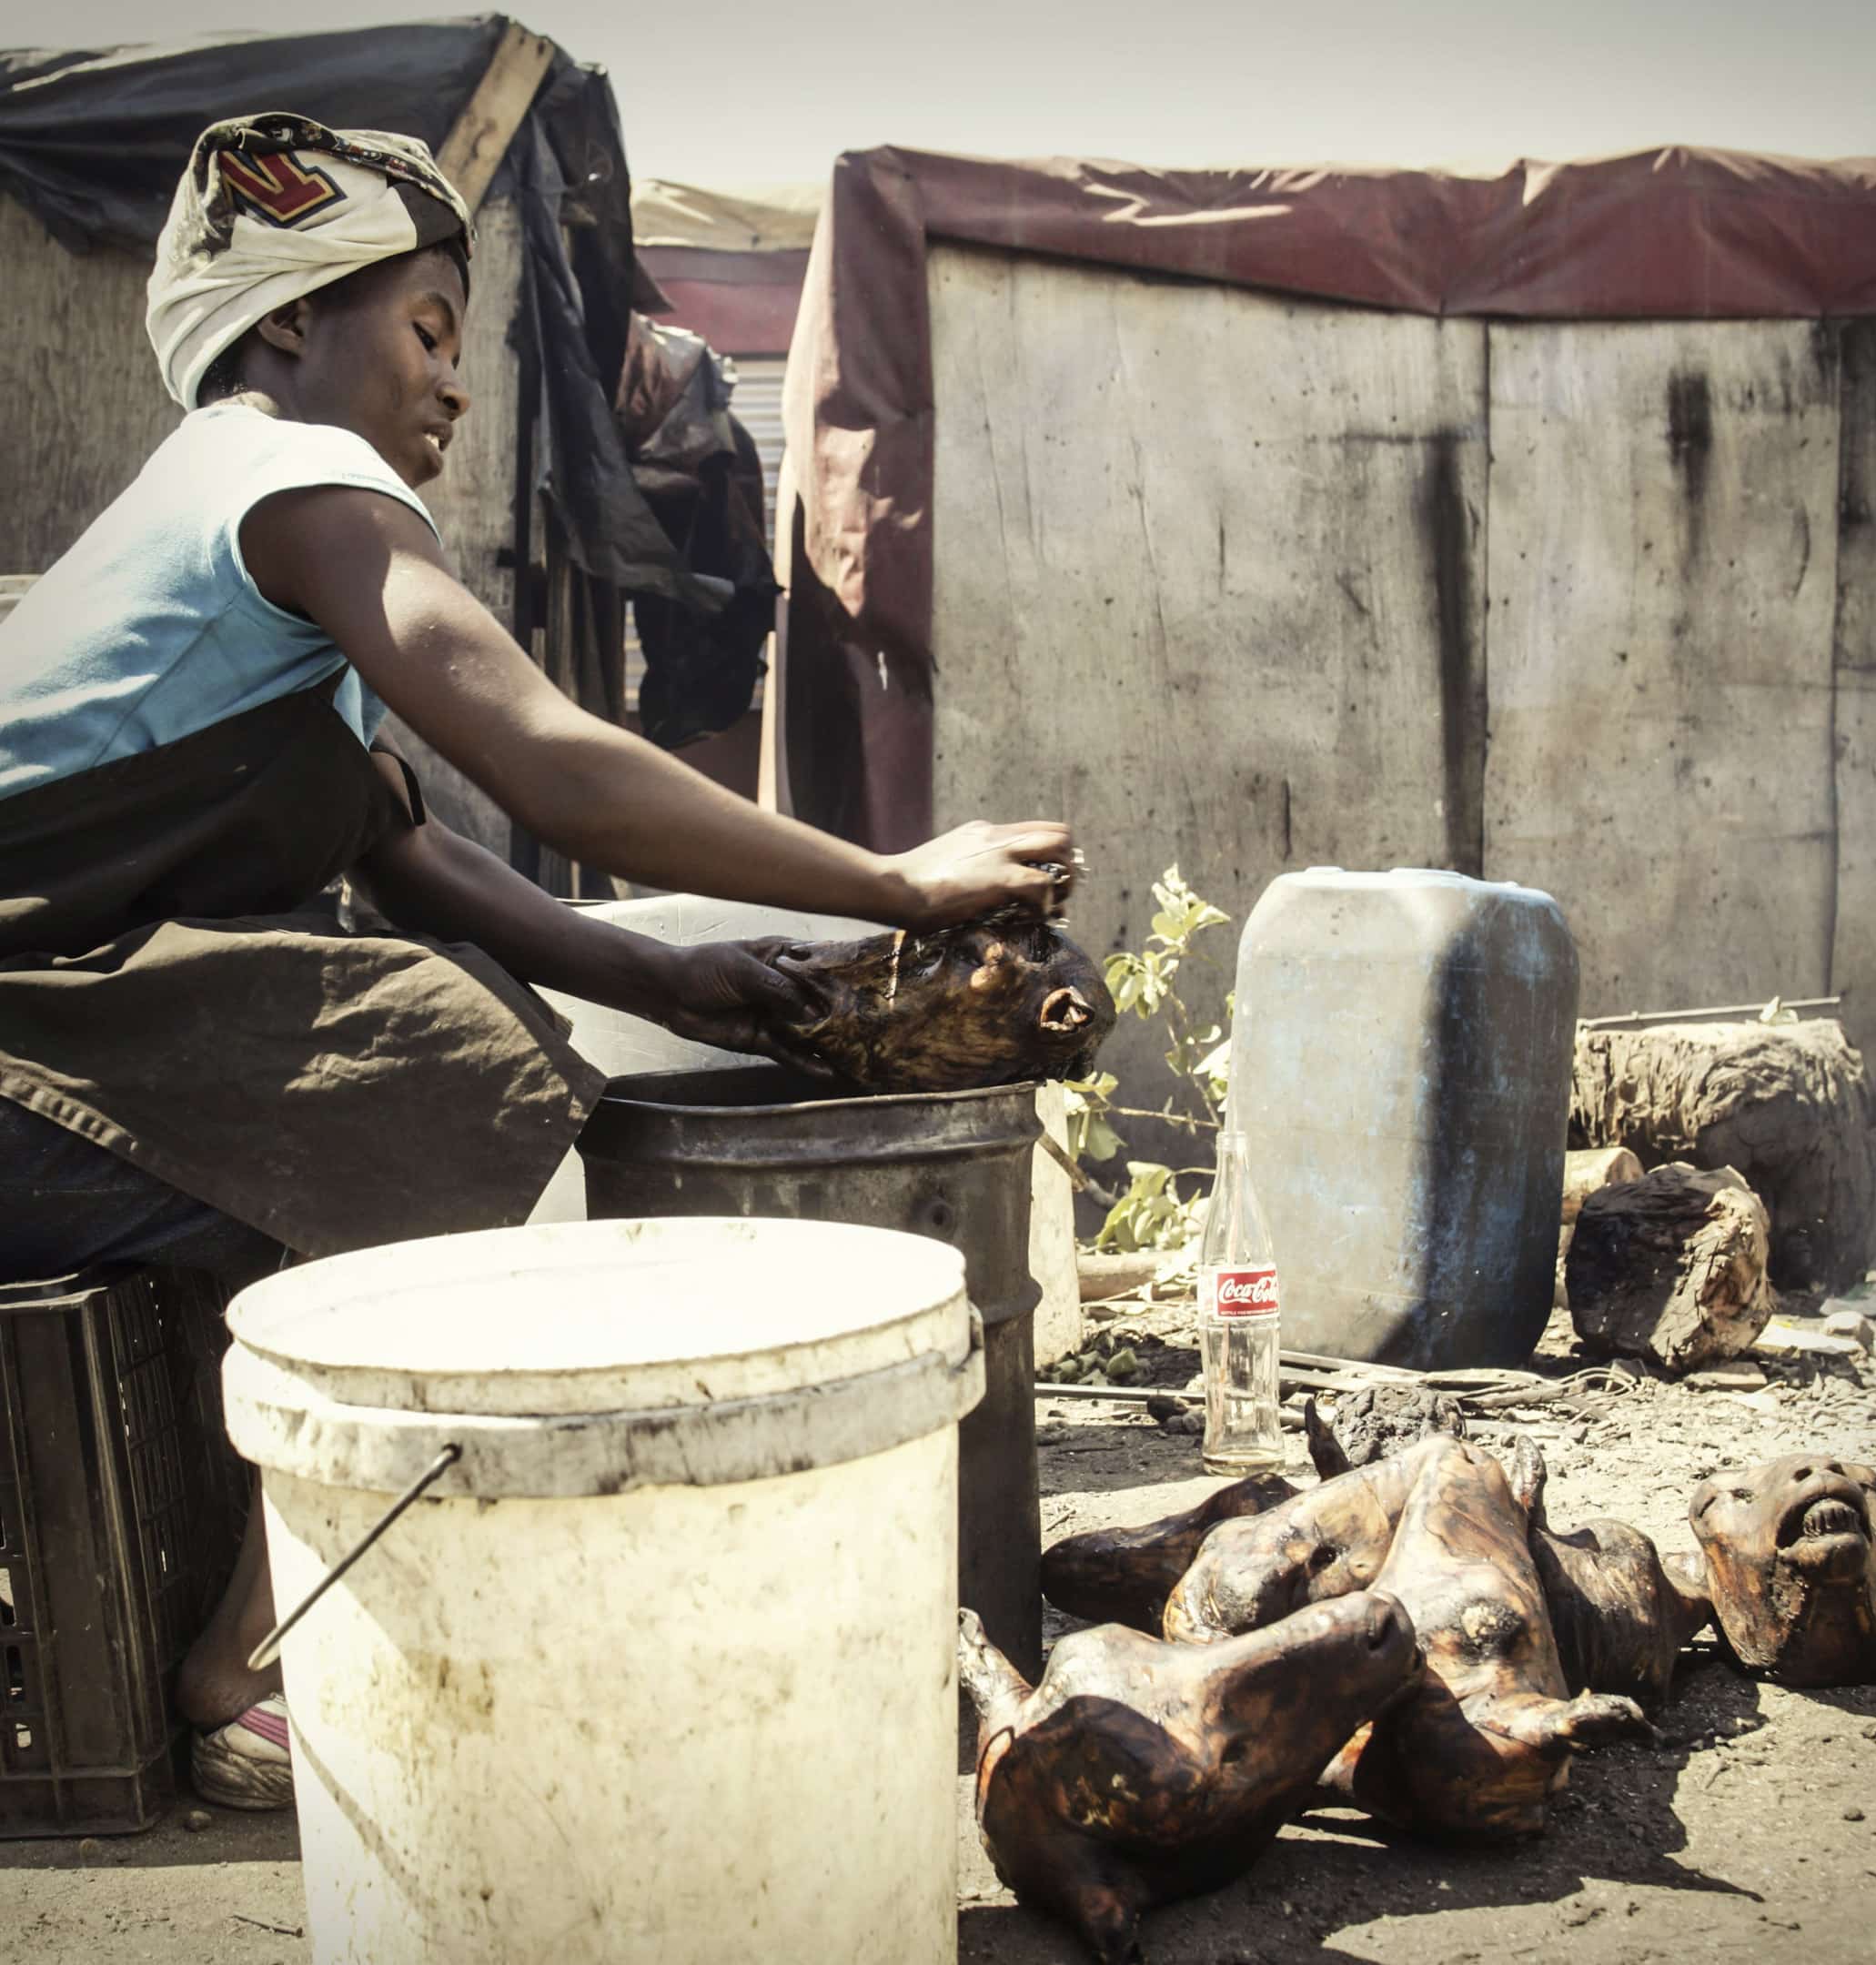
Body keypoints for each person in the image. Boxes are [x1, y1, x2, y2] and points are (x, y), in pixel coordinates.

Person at [0, 116, 1077, 1809]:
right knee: (431, 1058)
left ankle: (301, 1597)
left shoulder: (237, 540)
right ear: (289, 322)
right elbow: (555, 766)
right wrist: (896, 886)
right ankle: (253, 1674)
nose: (453, 388)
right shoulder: (286, 480)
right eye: (428, 331)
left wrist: (677, 983)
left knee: (416, 1022)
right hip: (21, 1079)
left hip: (51, 1064)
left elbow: (407, 854)